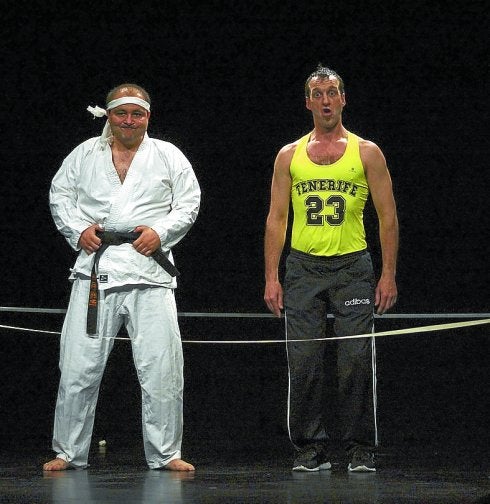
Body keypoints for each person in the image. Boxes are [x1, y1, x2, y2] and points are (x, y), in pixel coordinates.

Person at [43, 83, 200, 472]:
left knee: (162, 369)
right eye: (121, 113)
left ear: (148, 117)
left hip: (150, 272)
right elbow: (60, 195)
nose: (129, 121)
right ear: (109, 115)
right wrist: (78, 230)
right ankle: (68, 451)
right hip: (96, 271)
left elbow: (188, 202)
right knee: (78, 367)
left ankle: (167, 453)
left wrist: (161, 233)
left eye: (137, 114)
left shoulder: (168, 155)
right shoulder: (84, 154)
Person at [264, 65, 398, 472]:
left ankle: (360, 446)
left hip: (352, 267)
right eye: (318, 93)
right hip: (303, 268)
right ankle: (310, 446)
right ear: (308, 102)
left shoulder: (367, 152)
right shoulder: (289, 155)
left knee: (355, 359)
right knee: (304, 361)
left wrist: (388, 274)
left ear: (343, 99)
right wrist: (271, 277)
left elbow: (387, 217)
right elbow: (277, 219)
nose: (326, 100)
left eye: (332, 92)